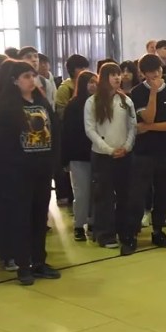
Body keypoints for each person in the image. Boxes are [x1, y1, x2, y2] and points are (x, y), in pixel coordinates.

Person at [0, 60, 61, 285]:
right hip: (18, 173)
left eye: (33, 75)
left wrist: (53, 162)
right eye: (26, 76)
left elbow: (55, 132)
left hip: (42, 170)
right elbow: (0, 144)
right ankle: (23, 264)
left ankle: (39, 260)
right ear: (14, 81)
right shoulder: (5, 107)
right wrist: (16, 165)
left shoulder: (41, 102)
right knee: (20, 218)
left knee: (40, 216)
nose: (32, 80)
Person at [85, 63, 137, 253]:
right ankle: (104, 233)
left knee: (125, 195)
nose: (117, 78)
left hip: (124, 155)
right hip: (103, 156)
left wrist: (127, 146)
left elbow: (133, 126)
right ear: (103, 77)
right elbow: (90, 129)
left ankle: (125, 231)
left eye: (119, 74)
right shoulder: (92, 102)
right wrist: (108, 149)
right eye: (113, 75)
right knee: (104, 196)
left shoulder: (126, 101)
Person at [129, 54, 166, 249]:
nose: (156, 75)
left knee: (163, 192)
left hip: (165, 151)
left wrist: (149, 128)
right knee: (138, 193)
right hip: (142, 152)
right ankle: (131, 233)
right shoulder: (137, 92)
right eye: (151, 72)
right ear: (143, 74)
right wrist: (153, 94)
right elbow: (147, 117)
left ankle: (158, 231)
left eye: (158, 70)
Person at [63, 71, 97, 242]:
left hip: (97, 155)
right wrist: (65, 160)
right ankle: (78, 225)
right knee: (81, 192)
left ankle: (93, 222)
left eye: (96, 82)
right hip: (78, 157)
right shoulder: (74, 105)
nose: (93, 85)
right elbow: (67, 134)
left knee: (95, 192)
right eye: (90, 82)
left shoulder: (100, 103)